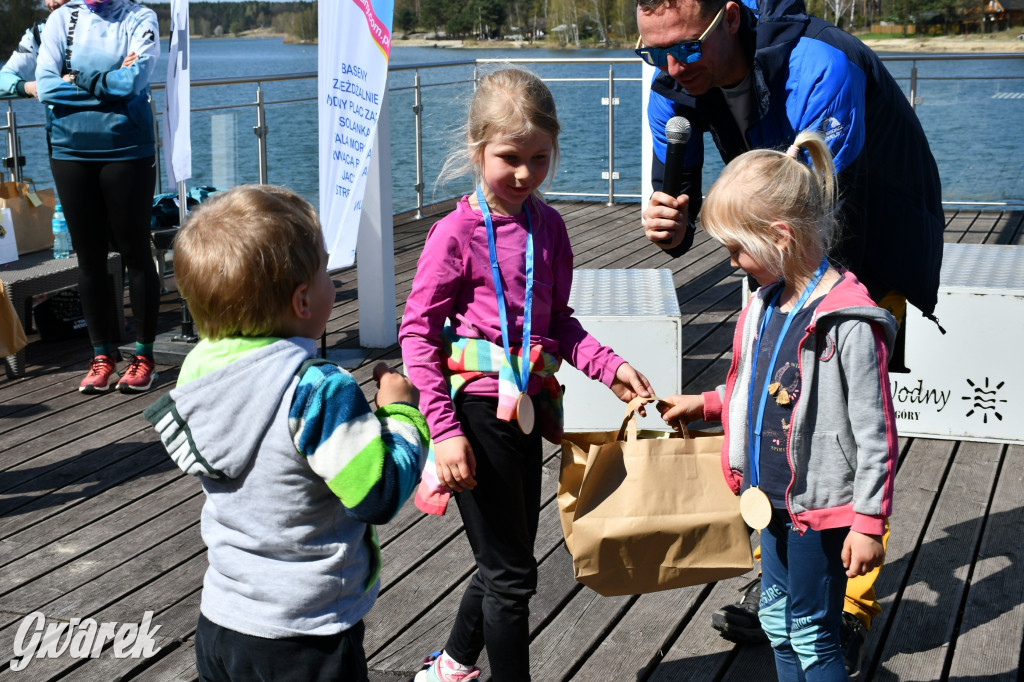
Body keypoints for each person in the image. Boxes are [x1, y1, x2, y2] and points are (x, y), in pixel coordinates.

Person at [635, 0, 944, 668]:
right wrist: (669, 226)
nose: (669, 68)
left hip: (868, 228)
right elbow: (684, 207)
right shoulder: (670, 85)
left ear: (730, 19)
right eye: (652, 52)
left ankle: (844, 610)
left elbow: (816, 211)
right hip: (777, 244)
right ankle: (791, 591)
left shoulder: (819, 64)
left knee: (843, 412)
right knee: (783, 399)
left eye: (684, 48)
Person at [399, 68, 654, 682]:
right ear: (477, 148)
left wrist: (611, 368)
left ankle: (452, 666)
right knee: (512, 575)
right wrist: (444, 432)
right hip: (475, 413)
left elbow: (558, 322)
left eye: (539, 158)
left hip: (527, 410)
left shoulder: (550, 227)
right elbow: (417, 334)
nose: (524, 174)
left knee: (505, 562)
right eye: (509, 158)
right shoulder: (455, 234)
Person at [143, 185, 430, 682]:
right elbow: (378, 494)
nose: (333, 285)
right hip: (306, 633)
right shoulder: (317, 390)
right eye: (326, 273)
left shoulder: (198, 375)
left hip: (223, 621)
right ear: (302, 300)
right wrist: (401, 414)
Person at [658, 131, 898, 681]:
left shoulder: (848, 323)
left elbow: (876, 433)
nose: (733, 263)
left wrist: (868, 522)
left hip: (819, 508)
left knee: (812, 631)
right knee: (776, 623)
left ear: (780, 237)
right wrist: (706, 403)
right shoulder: (765, 303)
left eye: (737, 250)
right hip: (769, 499)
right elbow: (765, 388)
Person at [36, 0, 162, 394]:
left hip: (127, 149)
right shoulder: (61, 19)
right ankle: (102, 356)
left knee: (135, 253)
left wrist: (76, 78)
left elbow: (133, 83)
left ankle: (144, 356)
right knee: (88, 259)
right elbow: (44, 85)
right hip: (69, 150)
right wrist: (108, 83)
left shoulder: (140, 17)